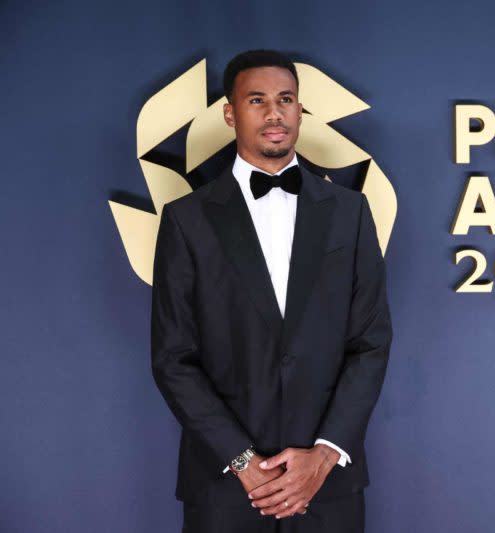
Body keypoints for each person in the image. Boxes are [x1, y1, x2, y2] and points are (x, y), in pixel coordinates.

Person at [150, 49, 393, 532]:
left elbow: (370, 343)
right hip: (225, 486)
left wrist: (324, 455)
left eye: (286, 99)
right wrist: (244, 463)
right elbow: (173, 357)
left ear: (300, 110)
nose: (274, 112)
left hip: (328, 484)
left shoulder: (351, 213)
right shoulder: (187, 220)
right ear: (229, 113)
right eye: (256, 100)